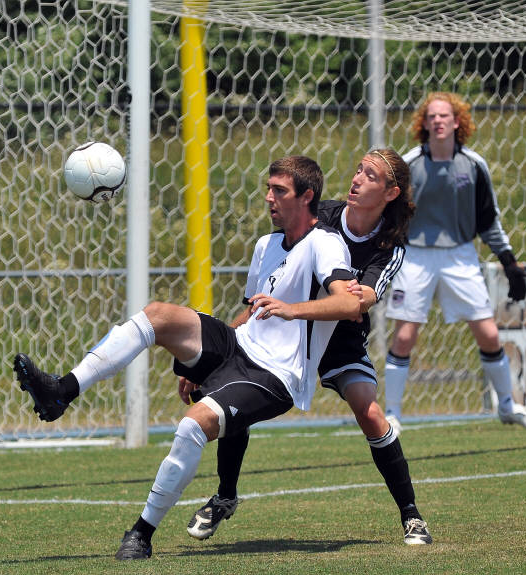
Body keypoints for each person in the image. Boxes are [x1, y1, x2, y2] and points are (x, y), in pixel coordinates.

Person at [14, 155, 363, 560]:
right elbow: (252, 312)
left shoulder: (325, 243)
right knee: (158, 315)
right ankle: (62, 391)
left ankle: (141, 534)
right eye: (268, 188)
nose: (269, 197)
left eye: (279, 190)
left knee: (192, 426)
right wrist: (205, 358)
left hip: (277, 374)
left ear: (307, 196)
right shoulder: (266, 245)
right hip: (239, 346)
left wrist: (292, 309)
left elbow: (348, 305)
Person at [180, 148, 432, 546]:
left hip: (338, 337)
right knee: (231, 393)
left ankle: (411, 514)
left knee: (369, 411)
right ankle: (225, 496)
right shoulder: (322, 216)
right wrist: (218, 351)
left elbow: (360, 300)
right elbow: (268, 288)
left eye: (370, 175)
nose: (357, 178)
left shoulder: (390, 246)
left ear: (390, 193)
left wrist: (347, 299)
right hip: (286, 331)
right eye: (358, 169)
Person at [383, 92, 526, 436]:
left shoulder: (473, 165)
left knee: (488, 333)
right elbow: (390, 214)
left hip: (460, 254)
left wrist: (508, 261)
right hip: (416, 255)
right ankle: (392, 415)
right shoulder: (409, 165)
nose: (438, 121)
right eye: (431, 116)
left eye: (444, 115)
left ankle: (508, 406)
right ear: (424, 123)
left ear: (457, 121)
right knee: (405, 336)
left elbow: (488, 218)